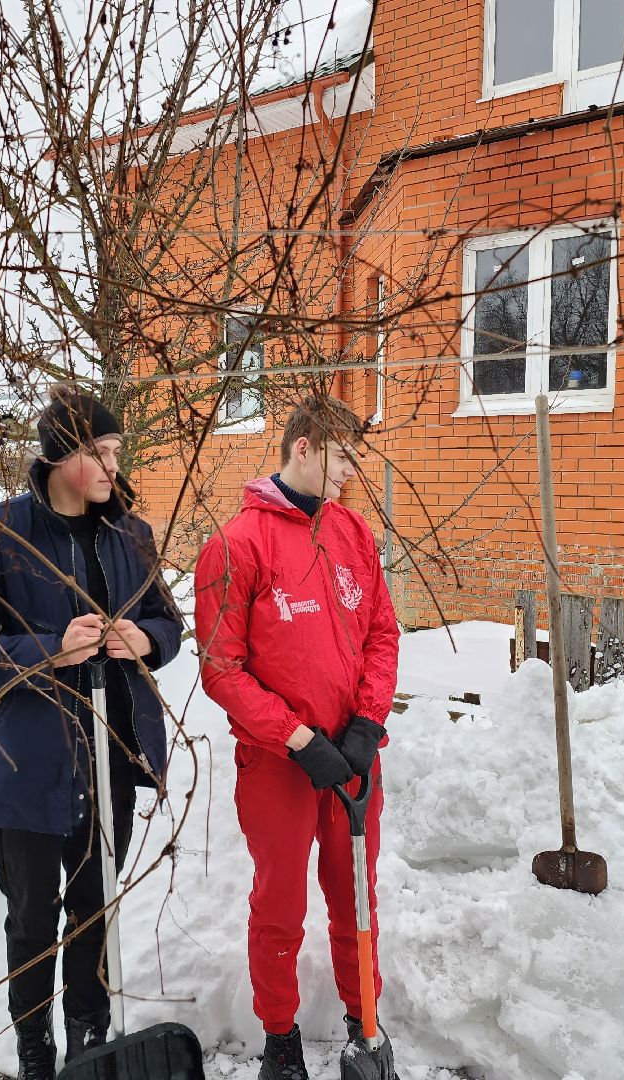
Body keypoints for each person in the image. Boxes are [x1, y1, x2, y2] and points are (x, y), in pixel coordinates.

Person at [0, 386, 182, 1080]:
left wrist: (147, 639)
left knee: (95, 913)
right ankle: (36, 1053)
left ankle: (90, 1047)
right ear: (62, 456)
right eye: (99, 452)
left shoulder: (130, 535)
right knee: (33, 924)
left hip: (112, 756)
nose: (111, 467)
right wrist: (46, 650)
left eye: (114, 452)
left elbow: (169, 621)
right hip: (29, 767)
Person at [194, 394, 401, 1080]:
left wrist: (367, 724)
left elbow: (381, 633)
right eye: (344, 456)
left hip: (352, 757)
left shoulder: (352, 535)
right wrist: (297, 739)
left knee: (355, 898)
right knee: (280, 906)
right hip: (279, 763)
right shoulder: (235, 545)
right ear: (305, 447)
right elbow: (222, 671)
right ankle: (280, 1042)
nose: (352, 472)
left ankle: (363, 1024)